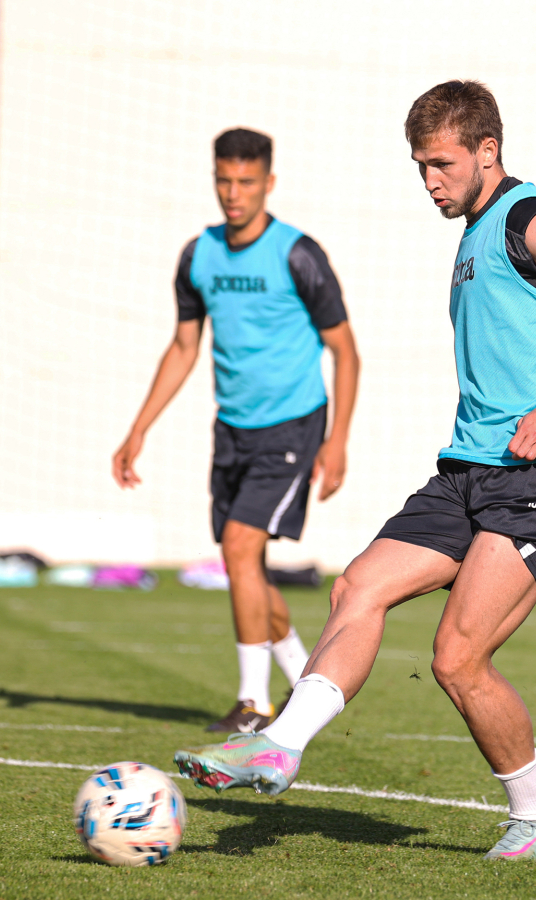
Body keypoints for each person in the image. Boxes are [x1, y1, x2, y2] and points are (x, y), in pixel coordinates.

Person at [174, 81, 536, 861]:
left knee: (457, 658)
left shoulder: (530, 219)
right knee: (357, 587)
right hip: (470, 469)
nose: (429, 180)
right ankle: (279, 746)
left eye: (441, 164)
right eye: (420, 165)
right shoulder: (476, 232)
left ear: (487, 152)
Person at [114, 128, 360, 734]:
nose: (233, 193)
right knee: (241, 561)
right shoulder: (198, 256)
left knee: (240, 550)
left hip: (293, 427)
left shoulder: (298, 254)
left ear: (268, 183)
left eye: (246, 182)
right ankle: (305, 676)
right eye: (224, 180)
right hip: (232, 430)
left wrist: (337, 441)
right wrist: (139, 428)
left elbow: (345, 352)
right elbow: (183, 345)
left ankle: (254, 703)